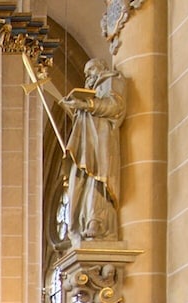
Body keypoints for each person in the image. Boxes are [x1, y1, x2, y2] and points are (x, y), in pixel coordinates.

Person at [61, 59, 128, 242]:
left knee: (96, 182)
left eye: (90, 69)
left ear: (102, 68)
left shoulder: (111, 81)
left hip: (101, 144)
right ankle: (76, 225)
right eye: (86, 72)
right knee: (78, 183)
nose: (88, 75)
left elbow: (115, 106)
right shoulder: (94, 90)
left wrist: (86, 105)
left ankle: (95, 220)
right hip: (85, 145)